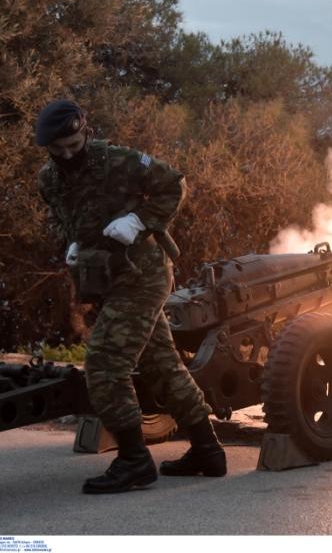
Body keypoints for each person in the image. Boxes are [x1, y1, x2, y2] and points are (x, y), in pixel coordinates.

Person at [35, 100, 227, 494]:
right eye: (60, 149)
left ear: (85, 129)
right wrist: (72, 242)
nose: (69, 154)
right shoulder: (48, 181)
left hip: (144, 273)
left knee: (105, 363)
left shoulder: (119, 161)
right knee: (161, 364)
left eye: (74, 144)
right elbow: (64, 216)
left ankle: (134, 461)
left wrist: (139, 221)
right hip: (106, 277)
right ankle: (208, 451)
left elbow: (174, 183)